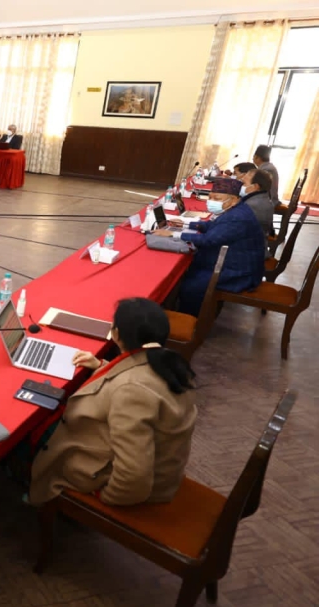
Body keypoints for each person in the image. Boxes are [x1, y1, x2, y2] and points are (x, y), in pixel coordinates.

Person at [29, 298, 197, 506]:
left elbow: (135, 476)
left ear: (116, 334)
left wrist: (105, 497)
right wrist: (102, 367)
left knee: (35, 432)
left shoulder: (130, 391)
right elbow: (138, 377)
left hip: (125, 486)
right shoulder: (171, 363)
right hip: (163, 472)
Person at [155, 181, 266, 315]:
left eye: (217, 199)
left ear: (234, 200)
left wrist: (173, 234)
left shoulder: (237, 217)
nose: (211, 201)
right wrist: (185, 225)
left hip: (237, 272)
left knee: (190, 287)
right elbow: (214, 227)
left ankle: (191, 318)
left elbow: (208, 240)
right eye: (210, 197)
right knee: (187, 268)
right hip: (232, 261)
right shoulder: (236, 209)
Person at [241, 169, 275, 238]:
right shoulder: (261, 197)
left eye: (244, 183)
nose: (241, 186)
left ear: (255, 186)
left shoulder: (252, 204)